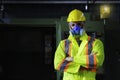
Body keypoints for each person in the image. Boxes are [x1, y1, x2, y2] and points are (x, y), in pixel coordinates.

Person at [54, 9, 105, 80]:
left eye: (79, 24)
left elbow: (97, 61)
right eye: (73, 24)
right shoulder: (63, 44)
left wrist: (72, 59)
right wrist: (87, 63)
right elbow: (58, 64)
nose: (76, 27)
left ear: (84, 25)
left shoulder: (95, 43)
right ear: (69, 26)